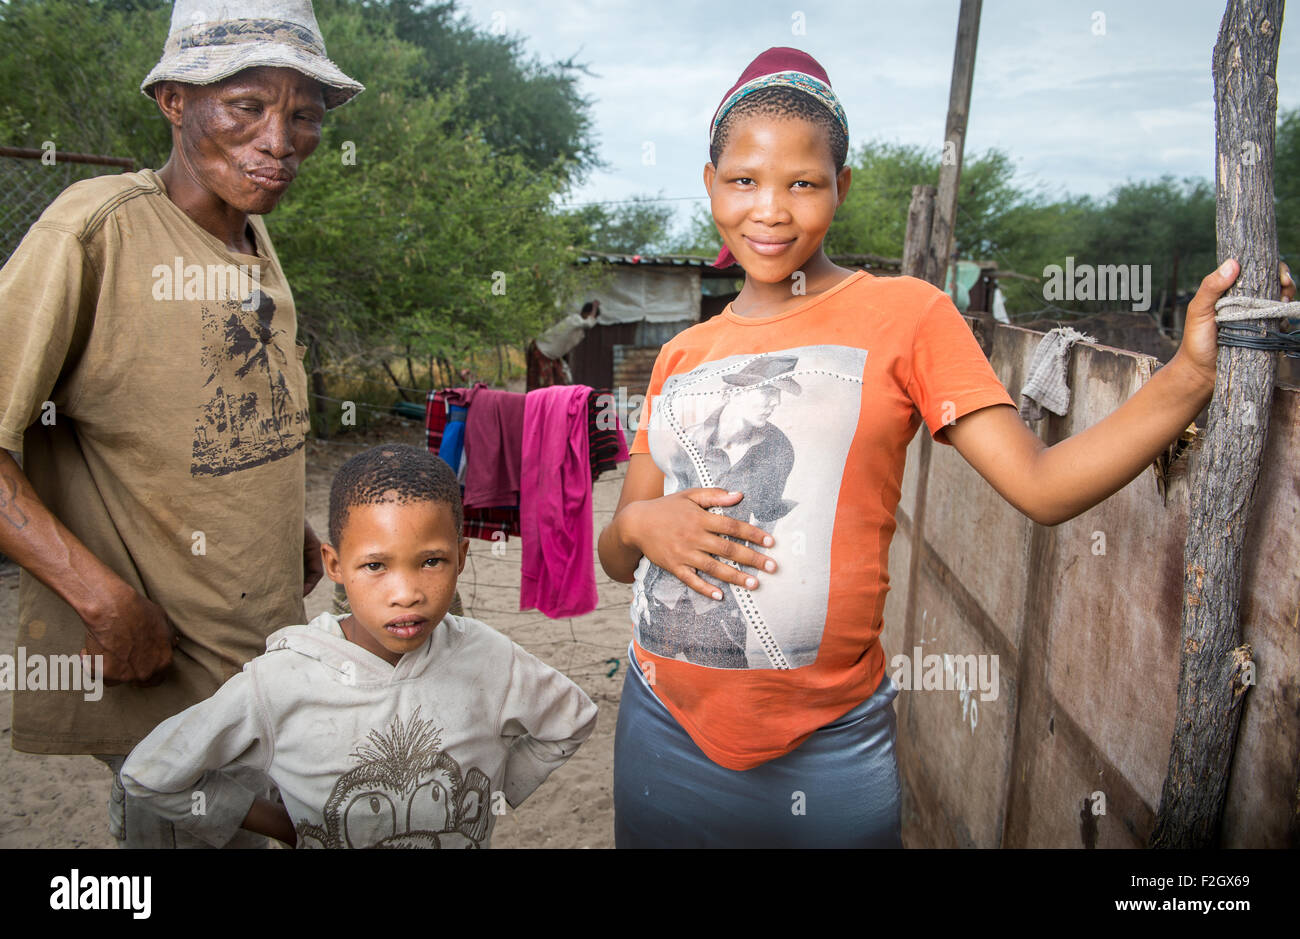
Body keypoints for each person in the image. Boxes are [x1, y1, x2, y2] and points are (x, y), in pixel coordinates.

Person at [597, 47, 1295, 848]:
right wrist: (644, 527)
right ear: (711, 182)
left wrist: (1187, 376)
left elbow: (1041, 484)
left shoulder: (906, 315)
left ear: (843, 186)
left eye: (803, 182)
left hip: (826, 744)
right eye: (744, 180)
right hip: (662, 723)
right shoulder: (683, 353)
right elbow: (620, 549)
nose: (771, 210)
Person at [0, 0, 363, 848]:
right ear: (173, 102)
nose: (279, 142)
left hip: (262, 661)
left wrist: (287, 532)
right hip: (167, 677)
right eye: (245, 107)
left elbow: (207, 416)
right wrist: (101, 599)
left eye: (304, 116)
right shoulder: (94, 233)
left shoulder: (250, 233)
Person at [121, 444, 597, 849]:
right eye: (375, 566)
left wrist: (491, 794)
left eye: (432, 560)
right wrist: (287, 827)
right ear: (334, 564)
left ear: (463, 557)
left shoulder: (489, 657)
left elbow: (570, 719)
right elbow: (153, 772)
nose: (406, 592)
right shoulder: (280, 680)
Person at [527, 299, 600, 390]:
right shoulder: (575, 319)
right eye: (594, 317)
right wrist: (595, 308)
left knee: (561, 382)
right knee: (544, 386)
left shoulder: (579, 330)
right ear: (586, 314)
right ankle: (535, 403)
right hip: (541, 350)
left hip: (551, 356)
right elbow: (589, 323)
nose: (594, 320)